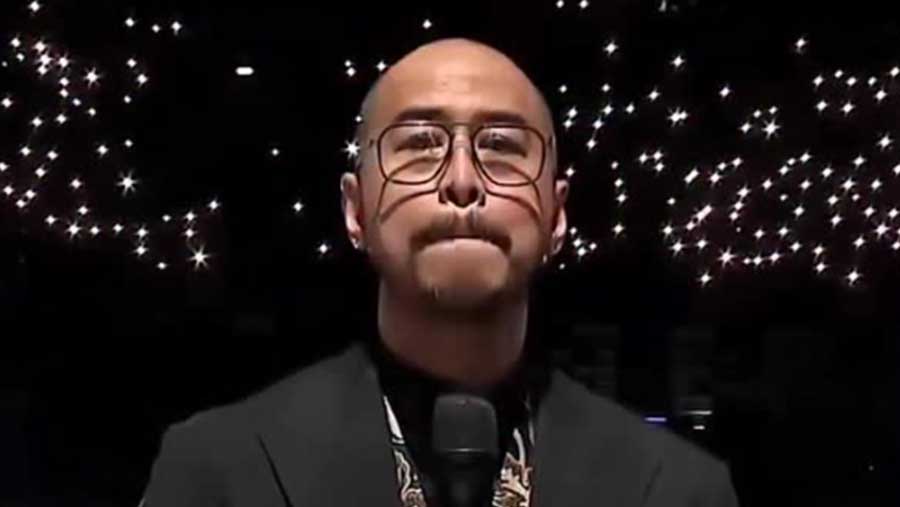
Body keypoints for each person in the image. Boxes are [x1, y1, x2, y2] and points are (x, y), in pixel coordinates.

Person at [140, 38, 739, 507]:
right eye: (420, 142)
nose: (461, 180)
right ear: (355, 210)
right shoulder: (217, 469)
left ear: (557, 215)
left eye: (502, 145)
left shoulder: (680, 490)